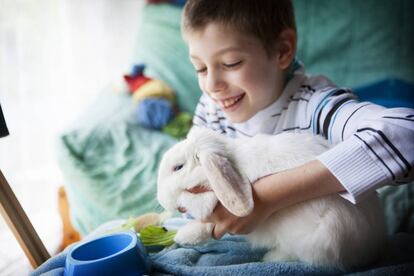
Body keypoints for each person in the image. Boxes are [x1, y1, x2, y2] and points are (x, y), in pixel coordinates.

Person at [180, 0, 414, 240]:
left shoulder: (315, 108)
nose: (211, 86)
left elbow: (407, 133)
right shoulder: (212, 108)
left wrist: (265, 198)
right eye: (200, 68)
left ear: (283, 50)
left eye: (231, 63)